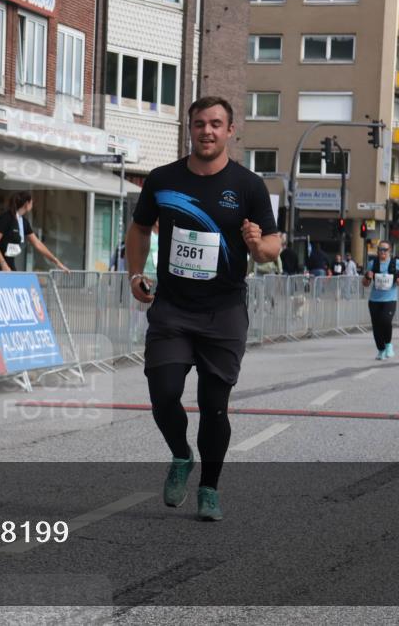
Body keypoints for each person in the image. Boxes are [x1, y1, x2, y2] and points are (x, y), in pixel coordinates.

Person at [126, 96, 280, 522]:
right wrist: (135, 273)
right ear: (189, 128)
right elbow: (140, 228)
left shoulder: (248, 186)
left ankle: (209, 488)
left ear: (230, 130)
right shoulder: (162, 179)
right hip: (173, 308)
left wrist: (257, 246)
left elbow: (273, 245)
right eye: (199, 124)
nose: (206, 131)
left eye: (215, 124)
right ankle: (181, 454)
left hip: (223, 312)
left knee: (214, 406)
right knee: (163, 393)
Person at [0, 191, 69, 272]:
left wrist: (56, 262)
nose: (32, 206)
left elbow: (38, 244)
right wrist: (3, 264)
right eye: (32, 203)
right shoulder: (6, 218)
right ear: (27, 204)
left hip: (9, 265)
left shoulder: (24, 222)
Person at [362, 240, 399, 360]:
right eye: (380, 249)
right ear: (377, 251)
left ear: (389, 250)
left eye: (385, 250)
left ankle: (388, 345)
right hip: (374, 300)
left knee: (386, 321)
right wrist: (367, 277)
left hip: (390, 299)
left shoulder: (396, 263)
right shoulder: (372, 263)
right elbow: (365, 283)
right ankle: (381, 350)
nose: (382, 252)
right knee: (376, 326)